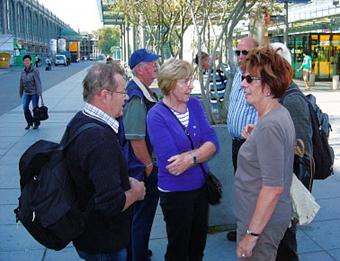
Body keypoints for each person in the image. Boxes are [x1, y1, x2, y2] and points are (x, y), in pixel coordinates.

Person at [65, 63, 145, 261]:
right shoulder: (99, 139)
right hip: (103, 243)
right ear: (104, 94)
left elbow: (90, 174)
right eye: (122, 92)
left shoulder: (80, 119)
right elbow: (109, 204)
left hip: (88, 234)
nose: (126, 97)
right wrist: (136, 192)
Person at [147, 59, 219, 261]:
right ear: (170, 84)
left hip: (201, 188)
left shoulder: (195, 105)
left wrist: (191, 157)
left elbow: (213, 142)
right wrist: (202, 152)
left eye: (191, 80)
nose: (191, 85)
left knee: (197, 246)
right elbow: (173, 164)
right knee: (178, 249)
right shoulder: (156, 115)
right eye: (185, 81)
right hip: (176, 193)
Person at [234, 47, 295, 260]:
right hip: (263, 219)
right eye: (243, 77)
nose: (243, 84)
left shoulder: (270, 124)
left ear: (268, 87)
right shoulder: (275, 115)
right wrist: (256, 137)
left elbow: (272, 188)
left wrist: (251, 235)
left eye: (250, 79)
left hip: (261, 223)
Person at [271, 42, 313, 261]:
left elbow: (299, 148)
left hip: (289, 180)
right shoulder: (280, 95)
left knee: (285, 244)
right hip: (281, 180)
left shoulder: (292, 99)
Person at [123, 48, 160, 261]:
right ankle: (138, 255)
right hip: (140, 167)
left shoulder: (141, 91)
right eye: (151, 63)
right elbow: (136, 137)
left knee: (139, 215)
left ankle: (137, 250)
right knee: (142, 216)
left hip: (138, 166)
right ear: (140, 69)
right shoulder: (137, 96)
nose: (155, 66)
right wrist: (148, 165)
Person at [226, 36, 259, 242]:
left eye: (244, 52)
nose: (240, 56)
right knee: (241, 190)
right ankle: (243, 229)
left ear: (256, 52)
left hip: (252, 145)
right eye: (237, 52)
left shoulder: (259, 79)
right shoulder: (238, 75)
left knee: (252, 192)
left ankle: (252, 233)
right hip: (236, 144)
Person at [19, 54, 42, 130]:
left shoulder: (35, 70)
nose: (26, 62)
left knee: (35, 108)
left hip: (34, 92)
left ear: (30, 61)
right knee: (25, 107)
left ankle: (36, 123)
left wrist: (39, 93)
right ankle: (29, 122)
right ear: (23, 62)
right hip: (26, 93)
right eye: (25, 61)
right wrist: (20, 93)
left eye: (28, 60)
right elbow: (21, 82)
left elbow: (38, 82)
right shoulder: (23, 71)